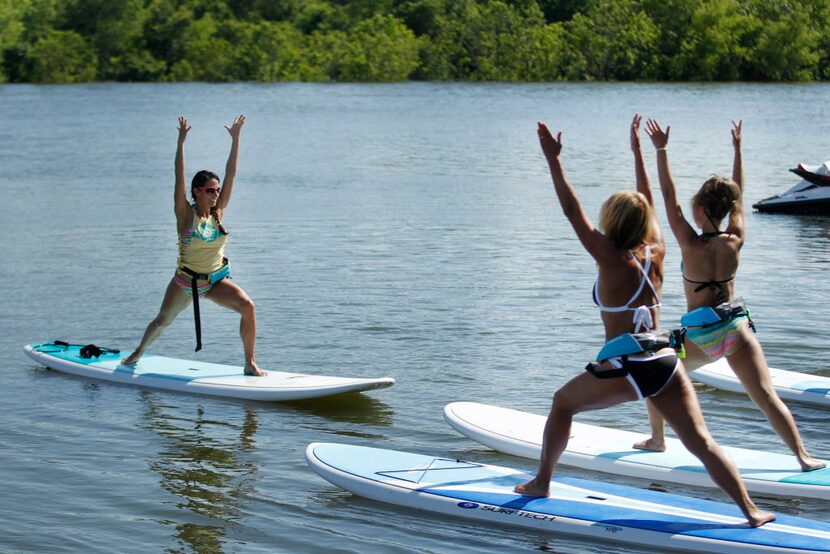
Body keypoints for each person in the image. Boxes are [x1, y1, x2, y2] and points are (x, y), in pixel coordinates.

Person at [513, 118, 775, 528]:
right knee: (702, 442)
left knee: (562, 404)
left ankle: (542, 482)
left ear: (612, 222)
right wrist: (640, 153)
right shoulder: (658, 250)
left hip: (629, 366)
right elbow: (649, 201)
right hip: (667, 360)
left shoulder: (610, 258)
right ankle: (751, 510)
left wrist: (552, 161)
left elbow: (570, 210)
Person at [635, 119, 823, 471]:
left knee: (651, 371)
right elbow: (738, 196)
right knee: (766, 396)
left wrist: (661, 150)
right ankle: (804, 456)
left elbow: (667, 196)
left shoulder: (690, 243)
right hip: (737, 332)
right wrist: (737, 150)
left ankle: (658, 439)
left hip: (702, 337)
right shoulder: (736, 237)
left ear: (702, 211)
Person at [123, 115, 267, 377]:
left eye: (217, 190)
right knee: (162, 321)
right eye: (210, 191)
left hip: (214, 282)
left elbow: (231, 172)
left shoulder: (218, 212)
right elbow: (178, 175)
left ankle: (250, 363)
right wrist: (181, 142)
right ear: (197, 191)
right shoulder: (185, 215)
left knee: (248, 306)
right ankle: (138, 352)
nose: (216, 195)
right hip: (186, 284)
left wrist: (235, 140)